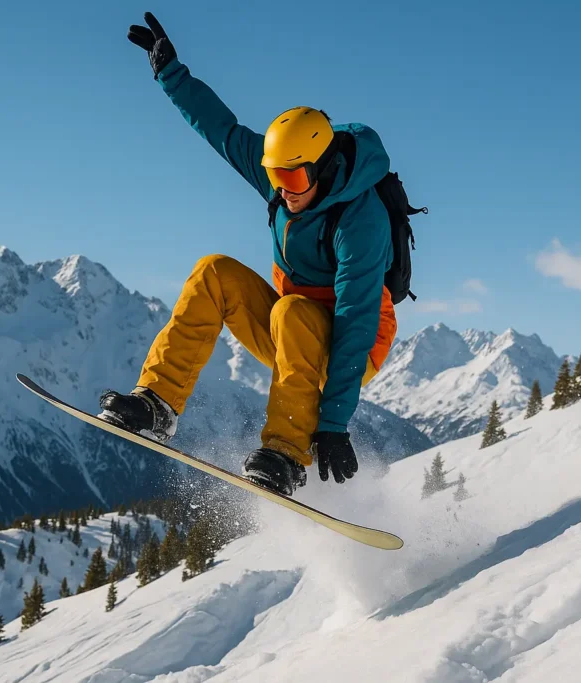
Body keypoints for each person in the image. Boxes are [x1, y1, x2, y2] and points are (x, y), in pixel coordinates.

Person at [97, 12, 398, 496]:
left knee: (296, 311)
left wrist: (335, 422)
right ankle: (158, 403)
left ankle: (286, 452)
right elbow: (222, 130)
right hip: (289, 328)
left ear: (320, 168)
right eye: (275, 176)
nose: (285, 190)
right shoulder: (283, 182)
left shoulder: (361, 222)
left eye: (294, 178)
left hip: (353, 345)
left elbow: (357, 323)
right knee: (213, 272)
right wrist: (170, 72)